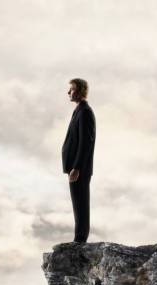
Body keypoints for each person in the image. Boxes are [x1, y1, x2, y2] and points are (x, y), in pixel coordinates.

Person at [61, 78, 96, 243]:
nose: (69, 92)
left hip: (79, 169)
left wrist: (76, 167)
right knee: (77, 203)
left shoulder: (85, 112)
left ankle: (80, 239)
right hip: (75, 169)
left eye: (72, 89)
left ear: (81, 91)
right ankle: (79, 238)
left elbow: (86, 142)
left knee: (81, 204)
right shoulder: (79, 110)